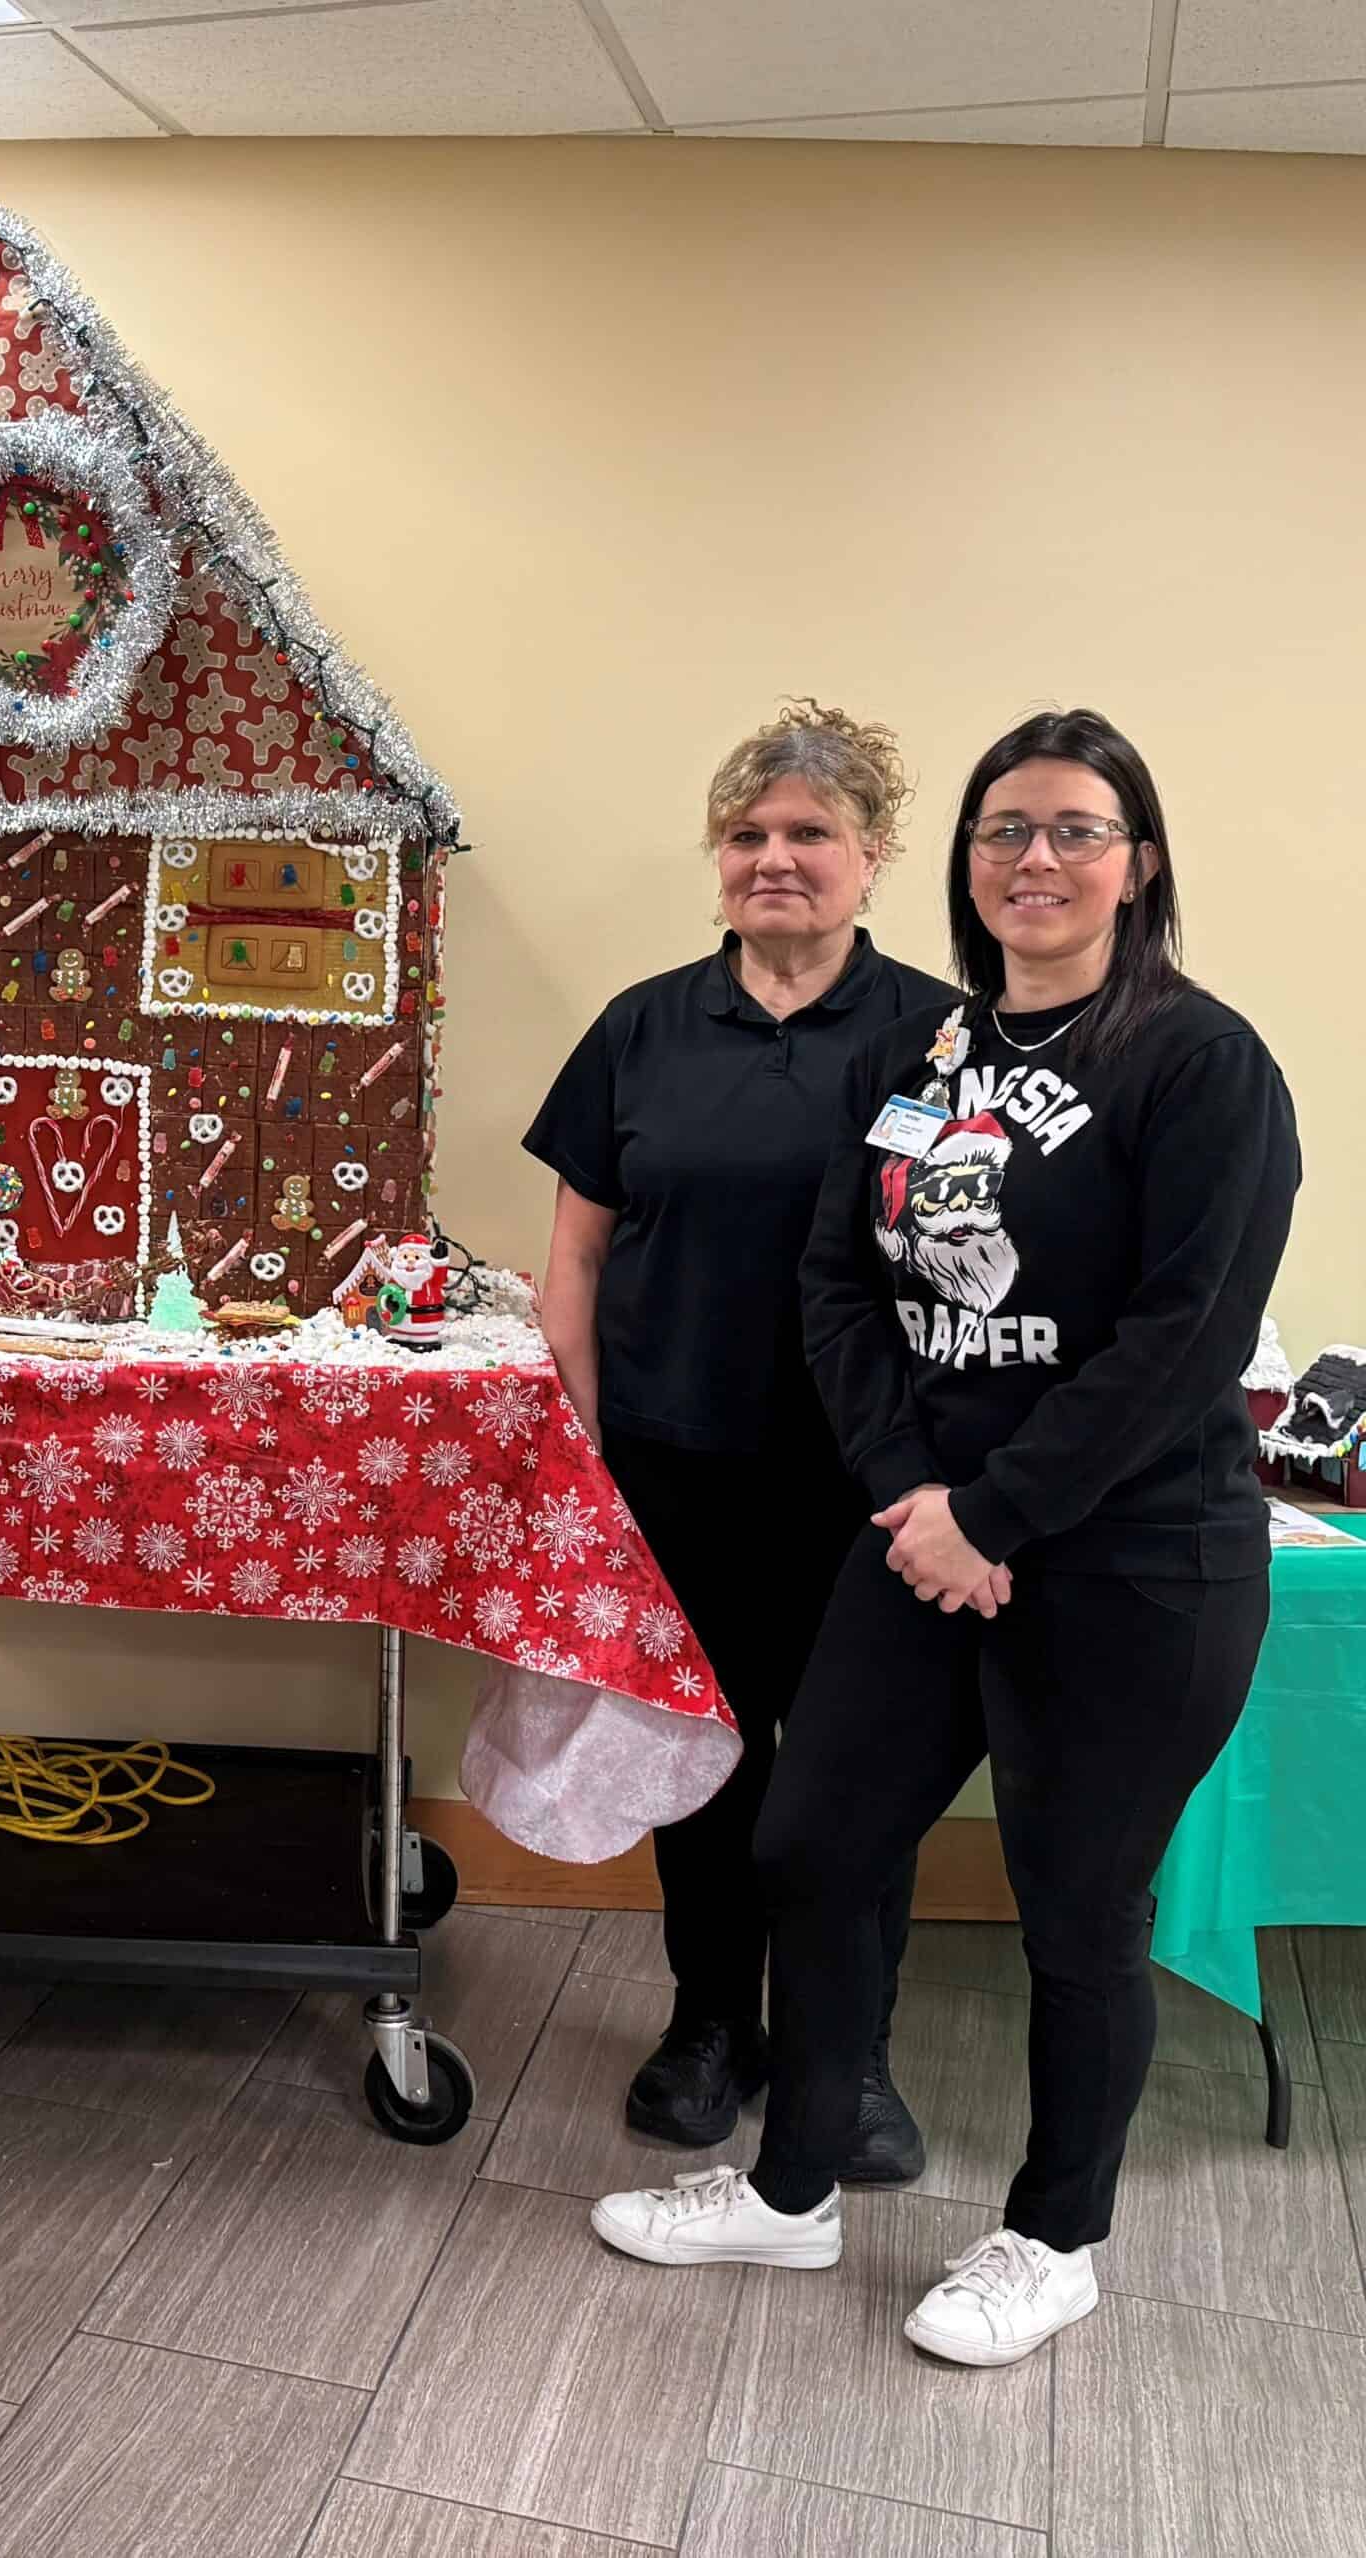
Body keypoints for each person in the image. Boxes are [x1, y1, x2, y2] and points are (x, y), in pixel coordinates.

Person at [593, 709, 1300, 2369]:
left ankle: (1056, 2236)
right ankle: (792, 2190)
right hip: (924, 1537)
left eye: (1071, 830)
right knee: (814, 1841)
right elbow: (841, 1284)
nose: (1034, 861)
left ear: (1136, 864)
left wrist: (1001, 1510)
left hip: (1132, 1558)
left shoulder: (1201, 1063)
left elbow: (1188, 1332)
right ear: (966, 864)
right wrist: (920, 1494)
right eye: (1005, 833)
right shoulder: (933, 1058)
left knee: (1076, 1905)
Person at [528, 702, 953, 2172]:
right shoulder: (641, 1027)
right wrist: (583, 1450)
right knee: (702, 1771)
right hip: (673, 1466)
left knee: (852, 1785)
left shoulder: (939, 1036)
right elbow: (573, 1259)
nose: (775, 859)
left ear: (873, 855)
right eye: (749, 835)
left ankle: (856, 2058)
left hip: (872, 1491)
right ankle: (710, 2022)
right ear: (719, 858)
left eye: (809, 835)